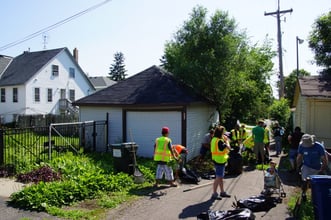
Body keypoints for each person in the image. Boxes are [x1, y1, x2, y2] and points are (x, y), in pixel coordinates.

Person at [296, 134, 327, 201]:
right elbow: (299, 156)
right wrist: (298, 166)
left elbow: (324, 159)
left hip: (317, 167)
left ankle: (315, 197)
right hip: (306, 166)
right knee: (305, 181)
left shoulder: (319, 147)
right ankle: (304, 194)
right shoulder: (301, 146)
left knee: (315, 184)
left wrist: (322, 168)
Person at [211, 126, 231, 199]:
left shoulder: (215, 139)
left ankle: (222, 192)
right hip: (219, 160)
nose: (224, 134)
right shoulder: (219, 141)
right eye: (223, 132)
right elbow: (228, 147)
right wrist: (227, 142)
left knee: (220, 177)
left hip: (217, 159)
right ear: (220, 133)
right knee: (218, 177)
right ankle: (214, 193)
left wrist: (224, 139)